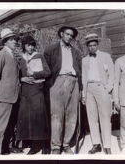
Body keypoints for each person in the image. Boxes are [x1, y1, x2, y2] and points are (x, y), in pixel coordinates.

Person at [44, 26, 82, 154]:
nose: (69, 37)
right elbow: (46, 68)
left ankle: (66, 144)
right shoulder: (51, 49)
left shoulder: (76, 52)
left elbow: (80, 70)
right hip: (58, 82)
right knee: (57, 115)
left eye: (71, 35)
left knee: (72, 115)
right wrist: (50, 84)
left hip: (74, 82)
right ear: (61, 34)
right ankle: (55, 146)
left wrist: (80, 87)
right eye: (67, 34)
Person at [16, 35, 51, 154]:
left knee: (39, 118)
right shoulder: (20, 58)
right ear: (24, 46)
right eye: (28, 45)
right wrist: (22, 79)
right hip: (25, 92)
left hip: (37, 91)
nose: (30, 47)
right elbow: (16, 75)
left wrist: (34, 74)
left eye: (32, 45)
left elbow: (47, 72)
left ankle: (42, 145)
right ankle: (31, 144)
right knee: (27, 119)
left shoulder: (39, 56)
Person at [0, 28, 22, 155]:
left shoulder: (12, 55)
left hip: (14, 97)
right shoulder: (1, 55)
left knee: (9, 125)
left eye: (14, 39)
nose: (15, 41)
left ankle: (6, 148)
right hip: (3, 98)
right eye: (12, 39)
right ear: (5, 42)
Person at [81, 33, 114, 154]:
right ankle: (96, 144)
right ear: (87, 47)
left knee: (105, 117)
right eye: (89, 46)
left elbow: (112, 74)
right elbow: (84, 78)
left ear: (97, 45)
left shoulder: (106, 56)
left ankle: (107, 145)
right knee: (92, 118)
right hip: (89, 89)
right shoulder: (84, 60)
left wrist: (108, 88)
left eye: (94, 45)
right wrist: (83, 94)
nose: (92, 48)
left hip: (102, 88)